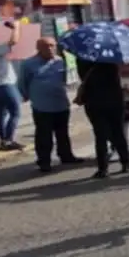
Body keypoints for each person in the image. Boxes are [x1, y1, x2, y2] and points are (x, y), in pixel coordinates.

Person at [20, 37, 83, 172]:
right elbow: (22, 83)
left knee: (63, 132)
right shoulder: (28, 64)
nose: (50, 49)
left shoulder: (60, 62)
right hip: (42, 105)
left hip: (60, 103)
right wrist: (26, 96)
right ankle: (44, 161)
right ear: (38, 48)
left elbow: (65, 79)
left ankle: (66, 155)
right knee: (44, 134)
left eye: (52, 46)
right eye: (46, 46)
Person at [75, 57, 129, 179]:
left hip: (95, 101)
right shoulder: (110, 56)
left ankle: (103, 168)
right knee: (118, 132)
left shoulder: (82, 57)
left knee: (100, 135)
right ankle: (126, 162)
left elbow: (83, 77)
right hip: (113, 100)